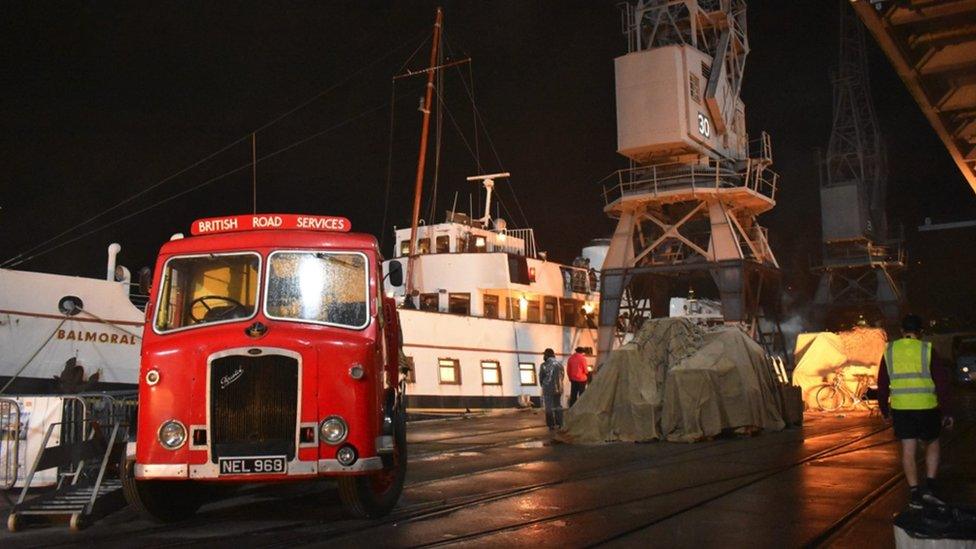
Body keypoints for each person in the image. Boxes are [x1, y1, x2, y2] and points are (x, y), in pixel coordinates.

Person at [878, 313, 953, 509]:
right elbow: (942, 382)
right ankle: (930, 486)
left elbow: (883, 384)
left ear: (902, 331)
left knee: (908, 449)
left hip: (902, 408)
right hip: (927, 407)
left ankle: (914, 492)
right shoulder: (927, 350)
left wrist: (884, 410)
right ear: (920, 332)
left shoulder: (890, 351)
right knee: (933, 443)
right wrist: (946, 411)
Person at [538, 348, 565, 430]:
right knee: (558, 406)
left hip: (548, 388)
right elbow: (562, 376)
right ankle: (560, 423)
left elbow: (541, 378)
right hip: (559, 388)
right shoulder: (560, 365)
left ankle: (551, 425)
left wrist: (543, 386)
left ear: (546, 355)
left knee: (548, 407)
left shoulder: (543, 365)